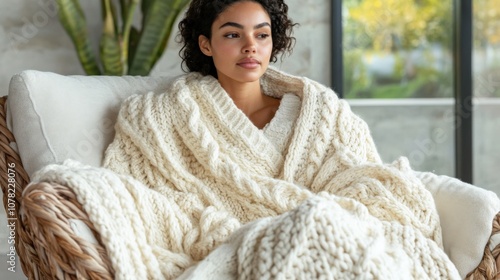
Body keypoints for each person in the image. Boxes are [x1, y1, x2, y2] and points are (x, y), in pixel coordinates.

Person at [34, 0, 496, 279]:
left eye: (261, 34)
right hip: (232, 246)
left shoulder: (322, 110)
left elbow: (366, 177)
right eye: (232, 35)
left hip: (337, 231)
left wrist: (328, 215)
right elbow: (147, 194)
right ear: (207, 44)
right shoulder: (160, 117)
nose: (250, 46)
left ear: (275, 42)